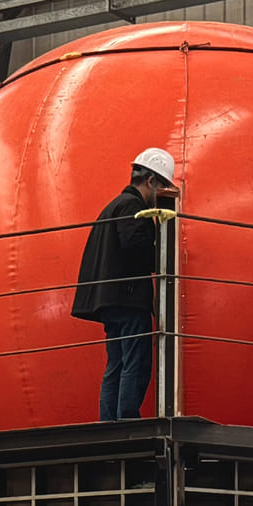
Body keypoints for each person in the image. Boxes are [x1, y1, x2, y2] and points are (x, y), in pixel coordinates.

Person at [72, 147, 177, 421]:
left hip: (110, 301)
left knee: (116, 364)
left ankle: (110, 422)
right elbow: (135, 247)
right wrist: (161, 254)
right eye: (163, 185)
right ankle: (127, 418)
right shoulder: (133, 207)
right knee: (135, 362)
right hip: (128, 300)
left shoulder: (114, 205)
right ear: (152, 181)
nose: (163, 192)